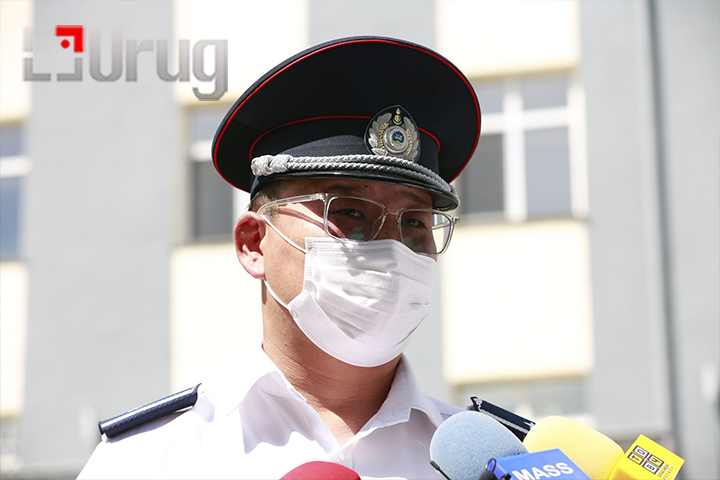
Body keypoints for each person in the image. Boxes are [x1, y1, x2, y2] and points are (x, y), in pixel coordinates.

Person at [78, 36, 481, 479]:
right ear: (254, 243)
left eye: (415, 222)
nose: (392, 246)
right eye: (349, 212)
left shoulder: (494, 464)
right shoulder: (149, 462)